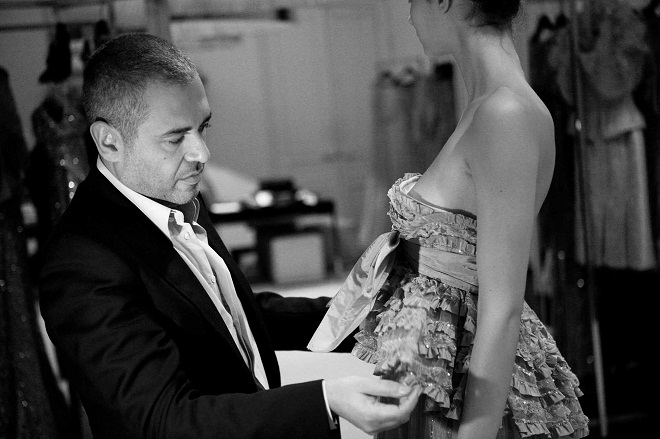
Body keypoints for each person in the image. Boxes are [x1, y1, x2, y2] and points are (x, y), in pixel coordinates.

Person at [37, 32, 422, 439]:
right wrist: (325, 400)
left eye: (203, 127)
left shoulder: (172, 194)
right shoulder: (81, 264)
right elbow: (163, 421)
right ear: (109, 142)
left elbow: (229, 315)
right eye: (176, 137)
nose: (201, 154)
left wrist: (370, 320)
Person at [308, 1, 590, 438]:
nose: (409, 15)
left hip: (461, 391)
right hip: (438, 372)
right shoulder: (487, 107)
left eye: (412, 1)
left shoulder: (505, 113)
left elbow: (502, 307)